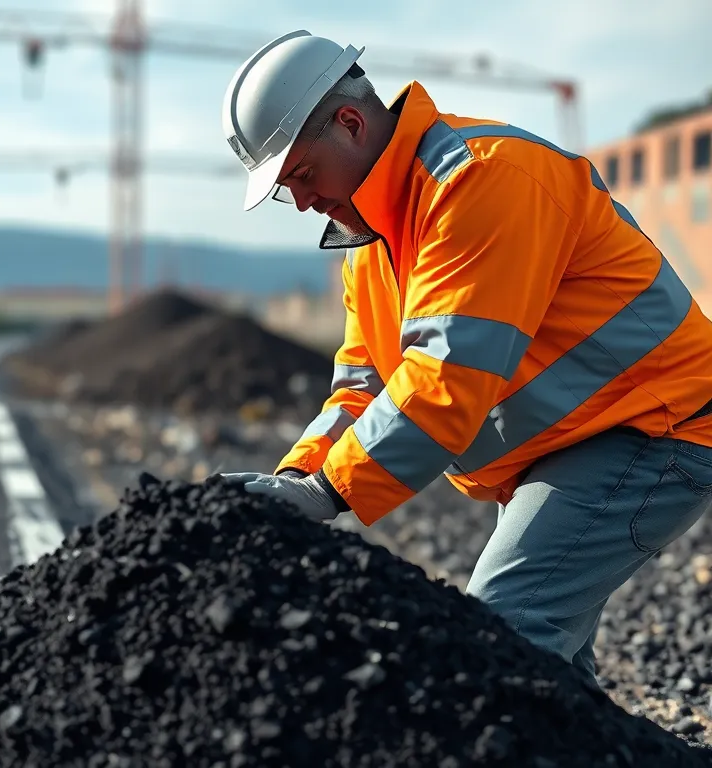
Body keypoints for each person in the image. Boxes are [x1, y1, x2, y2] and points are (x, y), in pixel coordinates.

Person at [219, 30, 712, 685]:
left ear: (351, 121)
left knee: (504, 634)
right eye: (287, 190)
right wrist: (295, 478)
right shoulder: (374, 243)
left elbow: (445, 374)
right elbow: (363, 386)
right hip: (574, 442)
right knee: (544, 668)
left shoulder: (479, 181)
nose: (303, 202)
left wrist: (325, 493)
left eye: (301, 175)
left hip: (653, 424)